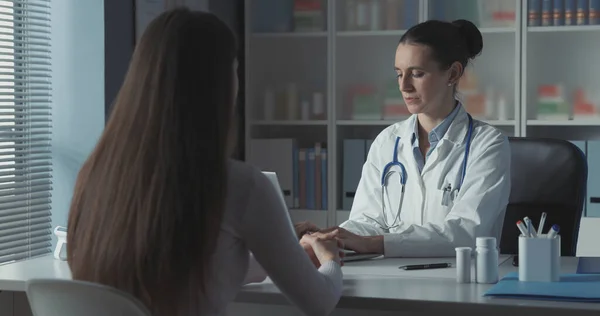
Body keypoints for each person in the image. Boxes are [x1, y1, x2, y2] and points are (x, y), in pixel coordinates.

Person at [66, 8, 344, 316]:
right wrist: (329, 259)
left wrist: (282, 255)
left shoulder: (93, 176)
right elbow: (319, 301)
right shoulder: (239, 186)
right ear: (220, 86)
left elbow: (199, 269)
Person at [305, 19, 511, 258]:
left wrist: (376, 243)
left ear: (453, 73)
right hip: (395, 277)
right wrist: (332, 237)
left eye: (417, 74)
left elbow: (466, 231)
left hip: (462, 281)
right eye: (399, 74)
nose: (404, 86)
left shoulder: (488, 145)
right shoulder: (387, 141)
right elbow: (367, 220)